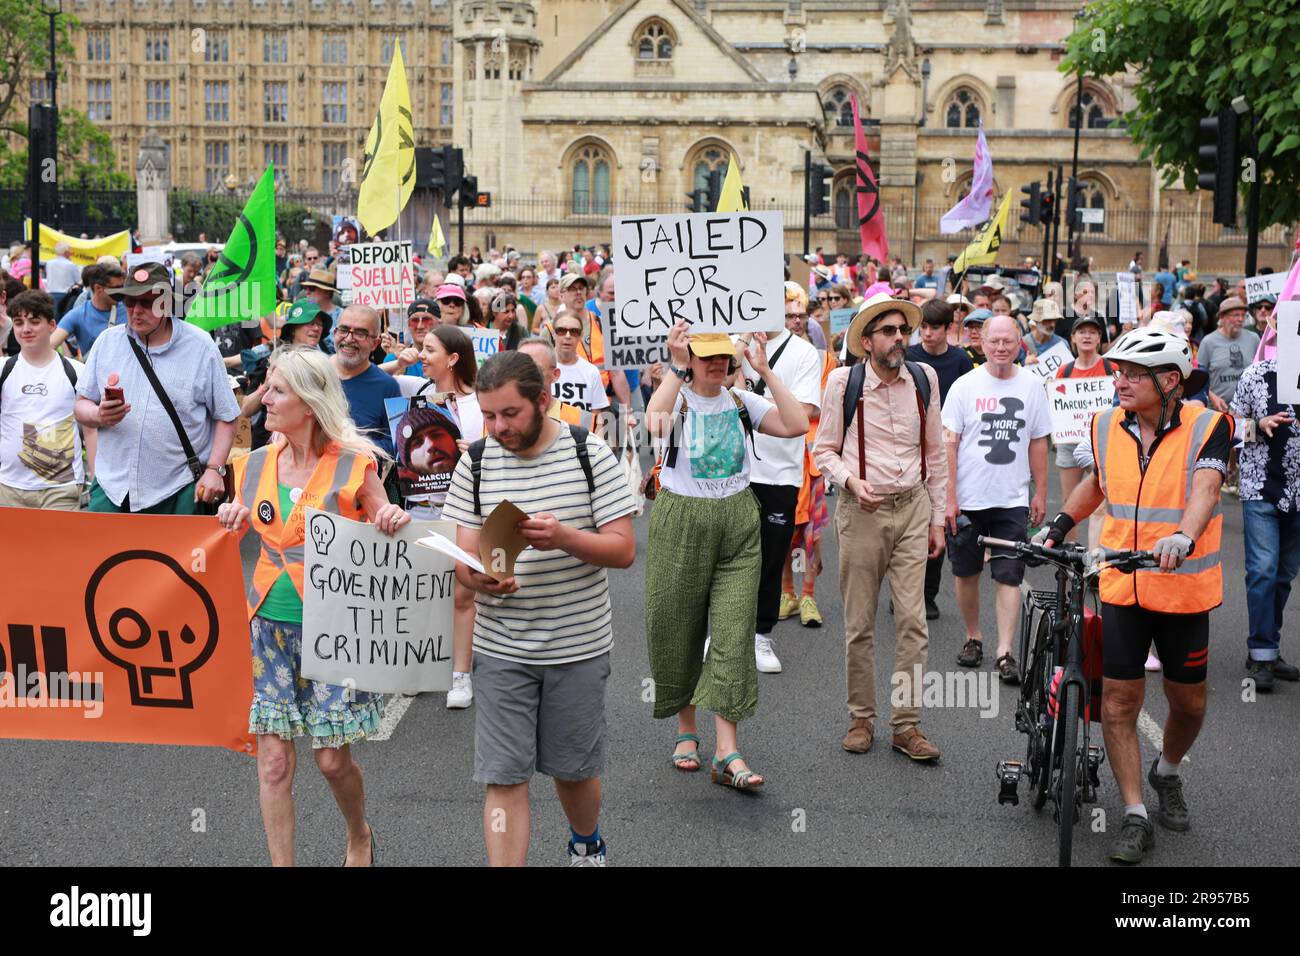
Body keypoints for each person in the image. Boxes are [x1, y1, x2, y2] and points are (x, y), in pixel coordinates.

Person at [1038, 327, 1232, 865]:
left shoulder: (1209, 425)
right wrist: (1058, 525)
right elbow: (1096, 483)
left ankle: (1166, 770)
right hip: (1122, 583)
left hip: (1183, 585)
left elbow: (1208, 489)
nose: (1117, 379)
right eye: (1117, 370)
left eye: (1131, 373)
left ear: (1170, 382)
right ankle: (1134, 813)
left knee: (1188, 702)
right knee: (1121, 701)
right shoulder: (1104, 424)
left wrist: (1183, 536)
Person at [441, 350, 638, 866]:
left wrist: (566, 538)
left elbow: (623, 550)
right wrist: (478, 576)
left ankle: (586, 841)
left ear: (543, 401)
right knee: (503, 776)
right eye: (488, 415)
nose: (498, 426)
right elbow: (464, 560)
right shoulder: (476, 460)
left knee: (574, 770)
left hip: (578, 646)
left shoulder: (588, 452)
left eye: (510, 414)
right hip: (501, 648)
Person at [218, 347, 410, 867]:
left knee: (330, 761)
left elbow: (384, 520)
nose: (264, 400)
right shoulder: (253, 464)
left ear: (308, 402)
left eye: (276, 390)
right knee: (274, 764)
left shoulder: (353, 464)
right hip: (269, 628)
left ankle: (359, 834)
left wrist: (388, 515)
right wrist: (230, 518)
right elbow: (236, 537)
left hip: (334, 628)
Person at [645, 324, 809, 789]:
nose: (719, 366)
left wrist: (765, 371)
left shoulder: (743, 402)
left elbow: (796, 424)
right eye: (708, 358)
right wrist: (675, 370)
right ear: (691, 359)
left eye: (725, 359)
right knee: (678, 624)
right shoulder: (676, 397)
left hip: (738, 521)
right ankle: (685, 731)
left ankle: (727, 750)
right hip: (682, 520)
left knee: (734, 631)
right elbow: (655, 424)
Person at [813, 293, 947, 759]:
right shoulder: (842, 383)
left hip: (912, 506)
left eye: (902, 331)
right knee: (860, 624)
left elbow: (935, 452)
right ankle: (861, 719)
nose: (899, 339)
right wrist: (850, 479)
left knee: (913, 621)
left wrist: (938, 517)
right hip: (861, 512)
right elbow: (822, 450)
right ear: (867, 341)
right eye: (888, 332)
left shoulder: (923, 378)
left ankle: (907, 725)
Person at [74, 262, 239, 514]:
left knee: (173, 556)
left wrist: (215, 470)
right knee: (104, 555)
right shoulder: (107, 342)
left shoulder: (201, 347)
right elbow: (81, 404)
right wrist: (98, 414)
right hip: (113, 489)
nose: (136, 311)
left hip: (178, 490)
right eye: (129, 302)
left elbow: (227, 416)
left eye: (147, 302)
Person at [942, 314, 1050, 683]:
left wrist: (1041, 492)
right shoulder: (964, 386)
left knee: (1009, 573)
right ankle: (974, 636)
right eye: (994, 341)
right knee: (966, 571)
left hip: (1012, 497)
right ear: (981, 343)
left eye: (1008, 341)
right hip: (969, 497)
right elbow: (949, 445)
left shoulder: (1033, 386)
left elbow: (1038, 441)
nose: (1001, 348)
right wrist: (949, 497)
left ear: (1020, 342)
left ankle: (1005, 651)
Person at [737, 297, 824, 674]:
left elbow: (805, 411)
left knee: (771, 559)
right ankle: (723, 633)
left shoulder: (804, 352)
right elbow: (717, 391)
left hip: (779, 472)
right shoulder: (731, 343)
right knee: (726, 557)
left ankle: (761, 634)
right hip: (731, 471)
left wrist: (756, 396)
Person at [415, 324, 483, 709]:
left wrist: (480, 448)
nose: (421, 355)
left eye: (429, 350)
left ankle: (460, 676)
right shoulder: (420, 394)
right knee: (422, 588)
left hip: (470, 508)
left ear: (453, 358)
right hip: (425, 504)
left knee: (462, 591)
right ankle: (419, 667)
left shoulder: (481, 402)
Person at [1231, 352, 1300, 692]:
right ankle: (1260, 654)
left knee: (1284, 573)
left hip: (1299, 492)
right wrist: (1257, 425)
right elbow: (1229, 427)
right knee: (1263, 569)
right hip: (1260, 486)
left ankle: (1268, 647)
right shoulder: (1255, 374)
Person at [906, 299, 974, 618]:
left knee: (938, 520)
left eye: (934, 327)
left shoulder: (960, 360)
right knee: (908, 524)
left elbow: (968, 405)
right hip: (908, 446)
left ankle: (928, 594)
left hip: (946, 449)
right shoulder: (909, 356)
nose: (927, 334)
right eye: (923, 327)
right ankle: (905, 591)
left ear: (949, 329)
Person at [0, 290, 94, 510]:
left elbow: (91, 430)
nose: (26, 329)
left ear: (52, 325)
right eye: (19, 322)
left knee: (63, 546)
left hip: (62, 489)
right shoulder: (3, 369)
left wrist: (97, 479)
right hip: (9, 487)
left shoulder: (77, 372)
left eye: (34, 321)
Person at [778, 283, 837, 627]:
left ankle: (810, 596)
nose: (796, 321)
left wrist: (793, 408)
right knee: (784, 530)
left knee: (811, 534)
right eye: (788, 316)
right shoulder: (764, 358)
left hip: (811, 461)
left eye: (800, 316)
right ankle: (787, 593)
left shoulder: (823, 358)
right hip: (778, 456)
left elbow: (822, 408)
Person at [1052, 314, 1111, 545]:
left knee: (1102, 503)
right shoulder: (1064, 372)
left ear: (1099, 338)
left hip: (1103, 443)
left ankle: (1096, 561)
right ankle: (1070, 554)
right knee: (1070, 503)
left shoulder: (1111, 366)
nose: (1087, 336)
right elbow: (1057, 406)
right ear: (1073, 338)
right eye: (1082, 332)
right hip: (1070, 441)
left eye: (1093, 332)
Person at [1196, 296, 1258, 493]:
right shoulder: (1208, 342)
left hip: (1248, 407)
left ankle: (1245, 484)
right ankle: (1224, 478)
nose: (1240, 319)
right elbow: (1200, 378)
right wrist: (1212, 396)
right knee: (1223, 447)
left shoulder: (1253, 339)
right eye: (1235, 315)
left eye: (1242, 315)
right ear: (1222, 317)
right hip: (1219, 408)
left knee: (1247, 445)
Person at [332, 305, 401, 458]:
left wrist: (353, 446)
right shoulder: (313, 375)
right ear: (335, 333)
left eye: (360, 333)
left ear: (375, 344)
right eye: (344, 330)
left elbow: (398, 443)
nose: (349, 339)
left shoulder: (388, 386)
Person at [550, 308, 610, 437]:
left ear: (581, 336)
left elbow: (598, 419)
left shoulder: (591, 372)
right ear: (554, 334)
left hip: (581, 444)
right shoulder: (540, 367)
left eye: (574, 331)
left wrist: (597, 449)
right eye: (561, 331)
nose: (567, 336)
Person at [51, 262, 127, 359]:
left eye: (122, 287)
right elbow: (50, 345)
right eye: (116, 288)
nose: (121, 292)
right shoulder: (78, 314)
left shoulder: (130, 310)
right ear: (98, 288)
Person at [44, 243, 81, 316]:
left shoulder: (49, 263)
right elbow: (78, 280)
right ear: (66, 252)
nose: (71, 253)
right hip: (66, 295)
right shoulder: (70, 264)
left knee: (53, 316)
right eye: (69, 251)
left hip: (51, 293)